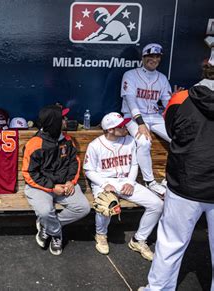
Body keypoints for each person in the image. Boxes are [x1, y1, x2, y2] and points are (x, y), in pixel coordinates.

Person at [140, 61, 214, 290]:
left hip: (185, 182)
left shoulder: (180, 98)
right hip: (191, 183)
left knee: (171, 243)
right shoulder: (179, 98)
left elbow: (172, 131)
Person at [84, 112, 163, 261]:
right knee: (106, 204)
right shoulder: (95, 145)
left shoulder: (130, 141)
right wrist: (104, 184)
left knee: (157, 205)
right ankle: (101, 234)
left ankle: (138, 240)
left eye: (124, 124)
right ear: (110, 130)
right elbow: (89, 170)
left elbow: (134, 164)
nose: (125, 127)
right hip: (104, 181)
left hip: (126, 181)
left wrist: (130, 182)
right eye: (120, 126)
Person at [22, 104, 90, 256]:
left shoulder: (67, 140)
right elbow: (29, 173)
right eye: (62, 118)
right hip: (40, 186)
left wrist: (71, 181)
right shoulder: (35, 144)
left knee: (83, 208)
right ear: (54, 123)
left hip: (65, 184)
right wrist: (52, 187)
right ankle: (56, 233)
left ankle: (47, 227)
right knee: (45, 211)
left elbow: (74, 162)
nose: (66, 120)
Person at [120, 43, 176, 197]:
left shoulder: (162, 78)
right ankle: (150, 181)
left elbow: (167, 104)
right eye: (150, 56)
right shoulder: (130, 75)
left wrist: (175, 101)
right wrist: (141, 124)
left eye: (157, 56)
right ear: (143, 57)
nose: (154, 59)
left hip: (154, 116)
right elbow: (130, 101)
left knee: (178, 139)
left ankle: (169, 178)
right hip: (132, 117)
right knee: (144, 142)